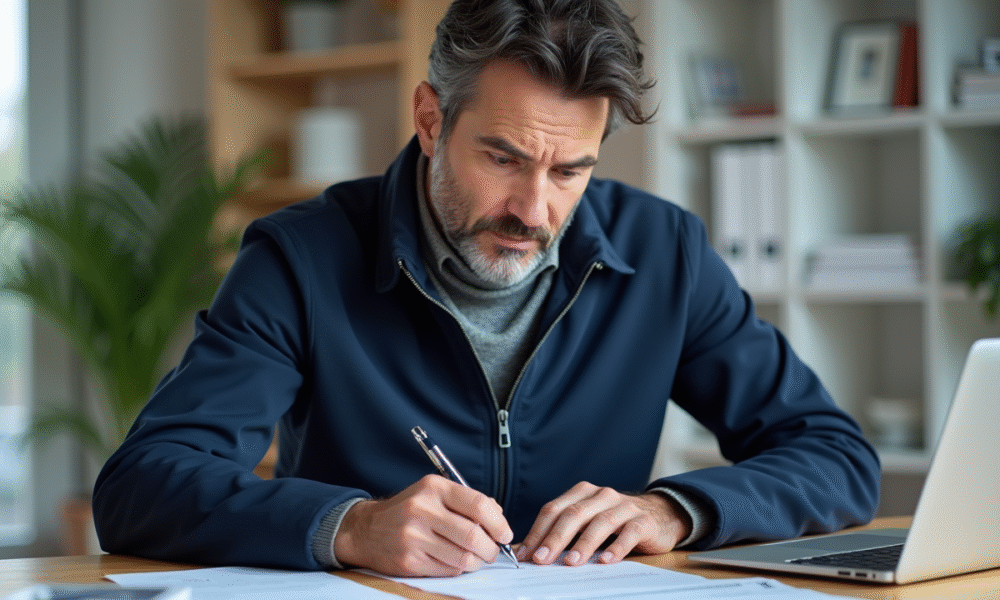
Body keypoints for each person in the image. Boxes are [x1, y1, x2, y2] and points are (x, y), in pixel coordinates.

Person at [93, 0, 880, 578]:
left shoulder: (666, 251)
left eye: (571, 170)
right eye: (503, 158)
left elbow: (836, 456)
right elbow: (142, 484)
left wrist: (672, 510)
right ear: (431, 120)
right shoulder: (301, 257)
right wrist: (351, 526)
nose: (535, 211)